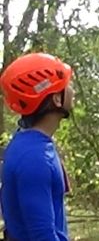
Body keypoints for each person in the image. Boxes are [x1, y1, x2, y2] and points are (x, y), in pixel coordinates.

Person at [0, 52, 74, 241]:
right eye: (67, 85)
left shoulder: (27, 142)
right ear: (56, 99)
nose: (73, 90)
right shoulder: (35, 158)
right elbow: (42, 235)